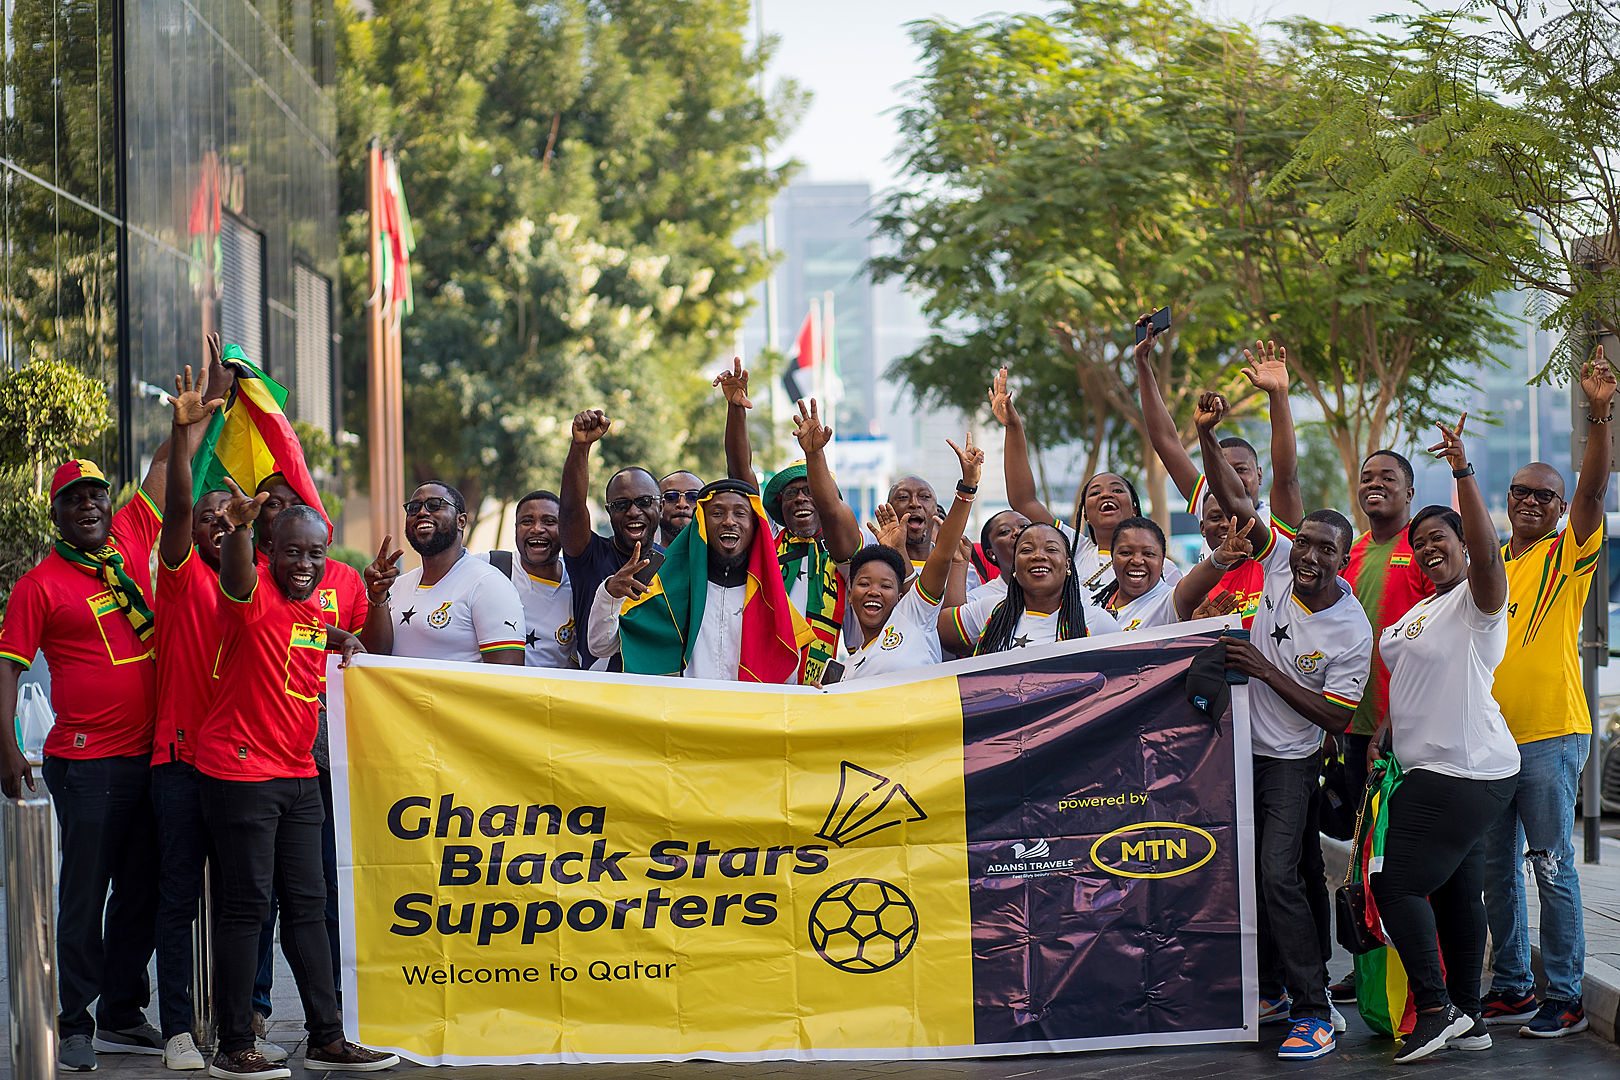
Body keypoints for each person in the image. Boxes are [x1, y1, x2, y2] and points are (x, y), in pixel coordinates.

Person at [0, 402, 198, 1069]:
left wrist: (186, 422)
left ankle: (121, 1010)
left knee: (143, 888)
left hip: (155, 758)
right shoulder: (38, 585)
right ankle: (74, 1018)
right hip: (86, 766)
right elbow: (7, 670)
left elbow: (167, 467)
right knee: (84, 896)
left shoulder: (135, 542)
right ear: (55, 513)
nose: (87, 505)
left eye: (95, 495)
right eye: (72, 498)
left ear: (110, 506)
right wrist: (5, 747)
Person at [194, 486, 396, 1079]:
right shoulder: (248, 591)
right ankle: (234, 1048)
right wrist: (234, 530)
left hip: (299, 776)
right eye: (291, 554)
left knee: (309, 908)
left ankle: (326, 1038)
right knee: (247, 909)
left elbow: (308, 634)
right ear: (269, 552)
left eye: (314, 554)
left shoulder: (311, 610)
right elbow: (236, 578)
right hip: (241, 773)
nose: (303, 565)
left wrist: (345, 636)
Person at [1197, 391, 1372, 1062]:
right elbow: (1235, 497)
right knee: (1282, 875)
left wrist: (1267, 673)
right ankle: (1282, 987)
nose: (1311, 558)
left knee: (1277, 875)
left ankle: (1315, 1011)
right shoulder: (1272, 559)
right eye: (1306, 545)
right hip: (1235, 752)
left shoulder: (1349, 629)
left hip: (1292, 763)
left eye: (1327, 551)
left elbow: (1336, 715)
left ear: (1342, 561)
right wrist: (1208, 437)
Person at [1372, 416, 1520, 1063]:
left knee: (1395, 886)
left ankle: (1432, 1009)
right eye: (1421, 541)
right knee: (1459, 895)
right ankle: (1470, 1013)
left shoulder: (1477, 602)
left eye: (1442, 538)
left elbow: (1488, 556)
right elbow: (1407, 679)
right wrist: (1387, 731)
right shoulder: (1421, 610)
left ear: (1464, 544)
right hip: (1426, 769)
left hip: (1460, 769)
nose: (1430, 547)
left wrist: (1462, 473)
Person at [1480, 346, 1615, 1037]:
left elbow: (1594, 492)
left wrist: (1599, 414)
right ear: (1507, 503)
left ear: (1560, 510)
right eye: (1521, 494)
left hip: (1550, 737)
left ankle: (1564, 995)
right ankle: (1513, 984)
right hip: (1489, 747)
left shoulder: (1566, 558)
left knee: (1553, 869)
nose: (1531, 502)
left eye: (1545, 497)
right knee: (1496, 874)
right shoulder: (1492, 569)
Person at [151, 354, 239, 1071]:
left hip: (242, 769)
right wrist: (186, 433)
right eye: (209, 514)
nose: (214, 522)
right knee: (177, 899)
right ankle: (178, 1029)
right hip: (179, 762)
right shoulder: (180, 577)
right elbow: (177, 509)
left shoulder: (260, 586)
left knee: (246, 903)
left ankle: (241, 1029)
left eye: (229, 514)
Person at [587, 479, 813, 681]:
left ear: (755, 527)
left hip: (747, 724)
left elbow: (787, 678)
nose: (729, 521)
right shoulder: (663, 590)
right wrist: (610, 594)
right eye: (717, 513)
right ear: (701, 526)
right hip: (682, 722)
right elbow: (600, 645)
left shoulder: (773, 601)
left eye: (740, 513)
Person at [720, 360, 861, 682]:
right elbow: (740, 479)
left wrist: (815, 455)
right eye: (791, 494)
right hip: (762, 678)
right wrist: (735, 409)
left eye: (810, 492)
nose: (800, 499)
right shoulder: (767, 541)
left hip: (823, 686)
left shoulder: (844, 549)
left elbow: (834, 511)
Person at [989, 367, 1180, 602]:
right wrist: (1013, 427)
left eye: (1117, 490)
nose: (1105, 495)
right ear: (1086, 515)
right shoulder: (1074, 550)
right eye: (1095, 493)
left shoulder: (1164, 568)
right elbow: (1023, 501)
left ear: (1134, 508)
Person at [840, 432, 980, 681]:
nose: (873, 591)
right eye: (864, 584)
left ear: (900, 596)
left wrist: (967, 487)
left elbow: (944, 552)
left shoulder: (913, 617)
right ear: (850, 596)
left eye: (885, 586)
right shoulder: (848, 668)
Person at [365, 482, 525, 665]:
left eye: (435, 505)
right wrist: (377, 596)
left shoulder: (489, 584)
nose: (422, 513)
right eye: (413, 508)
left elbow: (507, 676)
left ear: (461, 521)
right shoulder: (397, 586)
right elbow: (374, 659)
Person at [559, 409, 663, 670]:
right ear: (609, 511)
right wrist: (580, 447)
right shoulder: (589, 556)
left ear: (660, 507)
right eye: (621, 504)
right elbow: (572, 510)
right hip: (597, 701)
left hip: (655, 700)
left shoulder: (677, 564)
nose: (633, 511)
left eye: (644, 502)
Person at [938, 521, 1121, 654]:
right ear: (1015, 566)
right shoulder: (991, 610)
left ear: (1067, 565)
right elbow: (940, 629)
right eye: (1026, 550)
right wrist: (958, 563)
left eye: (1051, 549)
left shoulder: (1097, 621)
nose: (1038, 556)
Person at [1104, 516, 1249, 631]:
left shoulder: (1167, 602)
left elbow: (1191, 587)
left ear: (1162, 562)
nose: (1137, 560)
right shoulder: (1093, 602)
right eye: (1125, 553)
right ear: (1112, 558)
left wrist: (1219, 559)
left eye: (1148, 553)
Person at [485, 490, 577, 668]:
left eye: (549, 522)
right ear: (516, 528)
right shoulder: (489, 566)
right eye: (527, 521)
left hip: (550, 694)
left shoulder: (578, 584)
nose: (537, 529)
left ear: (565, 529)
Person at [658, 471, 704, 547]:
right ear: (658, 506)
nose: (682, 504)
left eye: (693, 497)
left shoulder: (720, 557)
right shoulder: (639, 557)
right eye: (671, 497)